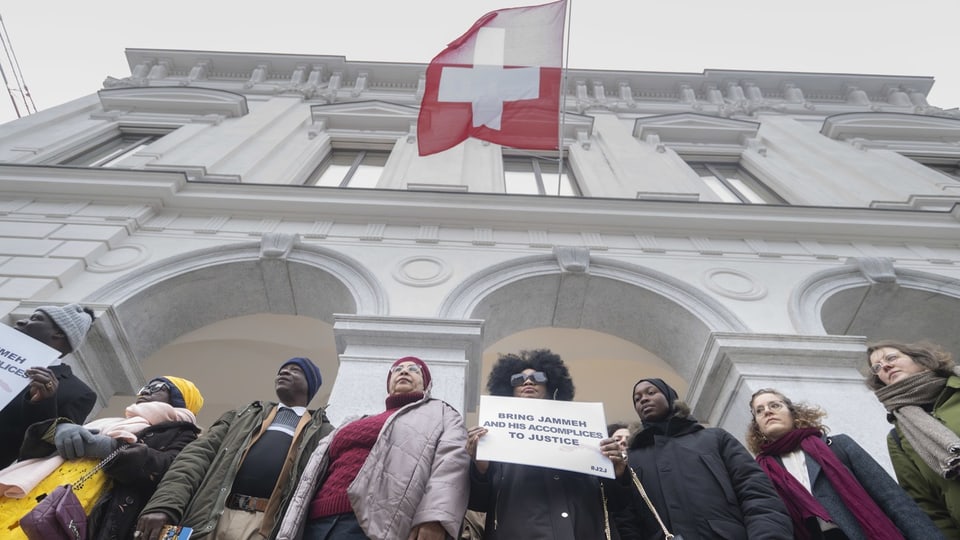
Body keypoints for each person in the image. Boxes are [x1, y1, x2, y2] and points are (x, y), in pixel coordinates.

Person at [137, 357, 334, 540]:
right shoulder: (242, 415)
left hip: (266, 528)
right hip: (207, 517)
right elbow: (194, 457)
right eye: (282, 370)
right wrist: (164, 505)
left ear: (310, 384)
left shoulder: (323, 432)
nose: (284, 373)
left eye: (295, 370)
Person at [277, 356, 469, 540]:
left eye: (413, 370)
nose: (404, 372)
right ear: (389, 383)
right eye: (397, 370)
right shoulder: (356, 420)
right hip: (316, 520)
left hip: (374, 526)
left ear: (426, 384)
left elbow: (451, 464)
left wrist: (434, 519)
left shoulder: (442, 414)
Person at [0, 375, 203, 540]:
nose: (146, 391)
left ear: (179, 400)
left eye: (158, 387)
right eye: (144, 387)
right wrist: (59, 429)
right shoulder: (113, 421)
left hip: (84, 508)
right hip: (38, 490)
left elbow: (169, 469)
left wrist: (111, 447)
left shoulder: (185, 434)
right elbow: (39, 452)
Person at [466, 349, 619, 539]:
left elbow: (616, 501)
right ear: (508, 389)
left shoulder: (585, 432)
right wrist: (481, 469)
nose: (528, 382)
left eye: (538, 377)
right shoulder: (492, 439)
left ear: (551, 384)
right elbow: (479, 504)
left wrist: (618, 470)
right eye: (518, 379)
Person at [748, 388, 941, 540]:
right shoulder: (760, 472)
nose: (767, 412)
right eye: (759, 410)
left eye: (775, 405)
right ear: (757, 426)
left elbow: (893, 498)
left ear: (793, 413)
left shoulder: (837, 445)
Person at [612, 378, 792, 540]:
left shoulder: (715, 439)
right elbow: (627, 521)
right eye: (637, 398)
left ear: (670, 396)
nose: (643, 399)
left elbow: (756, 492)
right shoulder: (633, 460)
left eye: (651, 392)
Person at [866, 341, 960, 538]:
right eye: (877, 367)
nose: (885, 366)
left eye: (891, 358)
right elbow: (925, 504)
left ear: (922, 361)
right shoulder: (898, 438)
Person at [0, 304, 97, 468]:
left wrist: (43, 402)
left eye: (35, 318)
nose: (22, 322)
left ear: (59, 333)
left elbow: (46, 454)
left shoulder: (77, 393)